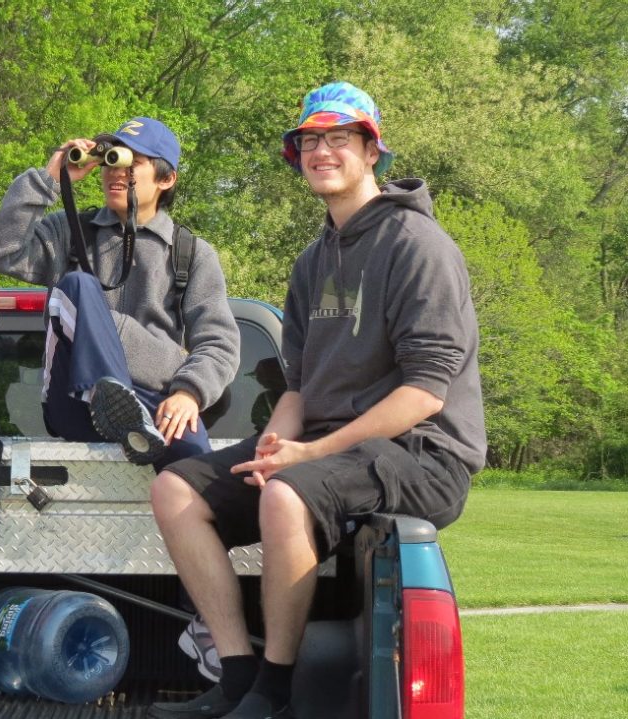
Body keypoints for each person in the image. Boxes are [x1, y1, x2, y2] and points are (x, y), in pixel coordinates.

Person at [148, 82, 486, 719]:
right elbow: (299, 388)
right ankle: (238, 675)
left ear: (371, 151)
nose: (321, 151)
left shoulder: (419, 247)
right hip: (330, 449)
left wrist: (305, 455)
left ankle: (276, 689)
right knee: (175, 489)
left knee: (286, 490)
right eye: (310, 141)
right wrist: (280, 442)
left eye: (338, 139)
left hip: (422, 454)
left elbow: (424, 394)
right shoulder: (312, 262)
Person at [0, 117, 239, 467]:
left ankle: (126, 410)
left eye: (134, 161)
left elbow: (219, 343)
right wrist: (50, 179)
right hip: (75, 398)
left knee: (196, 461)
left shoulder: (189, 253)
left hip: (152, 400)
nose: (115, 170)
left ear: (167, 178)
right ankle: (109, 393)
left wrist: (188, 393)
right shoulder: (71, 231)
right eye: (112, 158)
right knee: (76, 285)